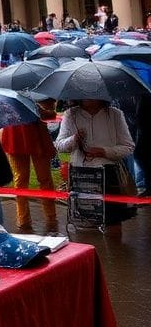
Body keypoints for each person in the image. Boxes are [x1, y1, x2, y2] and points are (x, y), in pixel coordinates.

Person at [54, 98, 136, 234]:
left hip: (108, 175)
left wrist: (105, 151)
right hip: (80, 175)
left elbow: (128, 146)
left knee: (112, 222)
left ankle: (113, 252)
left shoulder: (115, 114)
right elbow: (60, 145)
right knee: (83, 222)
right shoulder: (71, 114)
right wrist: (74, 139)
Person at [0, 97, 59, 234]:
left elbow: (50, 113)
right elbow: (50, 113)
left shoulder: (34, 93)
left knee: (37, 179)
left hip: (27, 136)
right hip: (19, 136)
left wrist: (39, 109)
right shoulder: (12, 95)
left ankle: (44, 217)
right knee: (28, 180)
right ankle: (28, 219)